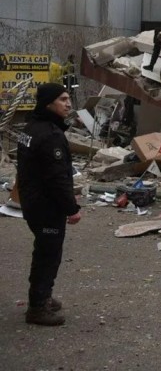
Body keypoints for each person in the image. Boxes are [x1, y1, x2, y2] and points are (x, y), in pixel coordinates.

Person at [18, 83, 81, 326]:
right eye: (63, 99)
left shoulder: (32, 127)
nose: (68, 104)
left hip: (33, 202)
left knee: (44, 249)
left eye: (68, 99)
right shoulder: (51, 136)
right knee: (48, 254)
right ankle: (37, 307)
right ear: (48, 103)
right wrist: (72, 209)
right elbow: (57, 178)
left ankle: (42, 296)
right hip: (46, 207)